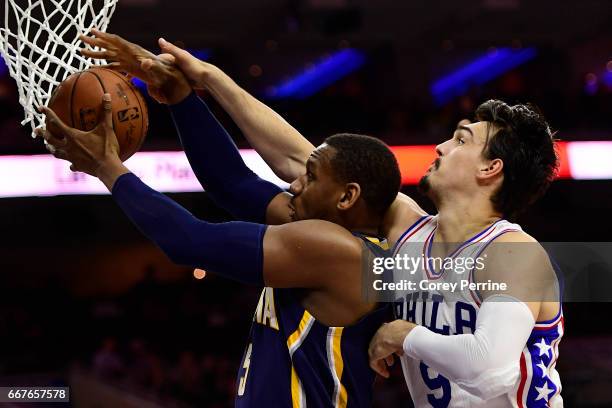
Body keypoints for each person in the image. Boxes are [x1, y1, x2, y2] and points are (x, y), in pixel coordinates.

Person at [77, 31, 562, 406]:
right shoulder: (409, 236)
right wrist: (208, 80)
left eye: (460, 139)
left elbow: (491, 369)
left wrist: (404, 334)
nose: (440, 145)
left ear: (490, 168)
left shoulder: (513, 254)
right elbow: (303, 163)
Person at [37, 63, 400, 408]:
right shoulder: (358, 251)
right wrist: (181, 98)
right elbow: (233, 183)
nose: (294, 182)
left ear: (348, 196)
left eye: (312, 176)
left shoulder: (335, 251)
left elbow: (190, 242)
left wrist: (108, 168)